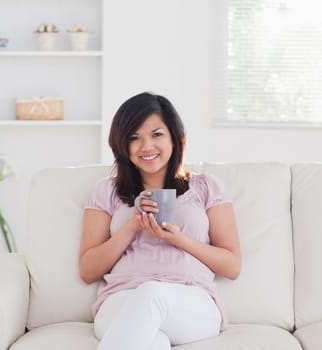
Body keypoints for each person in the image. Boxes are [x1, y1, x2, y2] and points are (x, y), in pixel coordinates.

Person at [79, 92, 241, 350]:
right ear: (122, 145)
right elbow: (88, 270)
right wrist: (131, 226)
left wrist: (179, 239)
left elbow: (232, 266)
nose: (146, 146)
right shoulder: (106, 191)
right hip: (120, 300)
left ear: (176, 139)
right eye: (134, 138)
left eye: (156, 134)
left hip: (191, 302)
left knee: (151, 294)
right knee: (153, 342)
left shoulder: (207, 187)